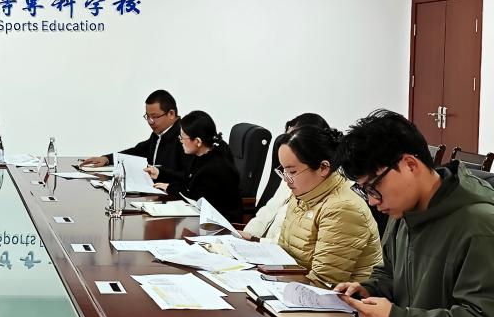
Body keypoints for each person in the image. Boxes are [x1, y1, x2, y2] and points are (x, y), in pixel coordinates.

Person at [334, 110, 494, 317]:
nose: (372, 201)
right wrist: (368, 289)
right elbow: (390, 274)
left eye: (373, 187)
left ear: (410, 164)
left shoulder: (479, 225)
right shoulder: (404, 210)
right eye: (365, 191)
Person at [272, 125, 381, 286]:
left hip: (343, 298)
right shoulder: (302, 195)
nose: (286, 180)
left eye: (292, 172)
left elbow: (323, 283)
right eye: (284, 171)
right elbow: (284, 255)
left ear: (323, 168)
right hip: (296, 287)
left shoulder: (342, 208)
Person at [244, 113, 330, 242]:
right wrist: (244, 237)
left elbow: (291, 244)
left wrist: (255, 240)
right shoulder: (289, 175)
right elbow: (267, 212)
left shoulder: (317, 191)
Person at [80, 89, 189, 186]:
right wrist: (107, 159)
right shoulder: (158, 135)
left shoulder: (186, 138)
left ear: (171, 114)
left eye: (155, 117)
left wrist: (160, 173)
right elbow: (137, 152)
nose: (150, 122)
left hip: (173, 196)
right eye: (147, 116)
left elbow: (188, 176)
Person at [150, 110, 242, 223]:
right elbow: (187, 178)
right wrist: (161, 173)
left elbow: (194, 198)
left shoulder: (214, 169)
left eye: (182, 138)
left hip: (218, 225)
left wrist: (170, 188)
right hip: (203, 218)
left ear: (198, 141)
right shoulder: (202, 154)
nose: (180, 141)